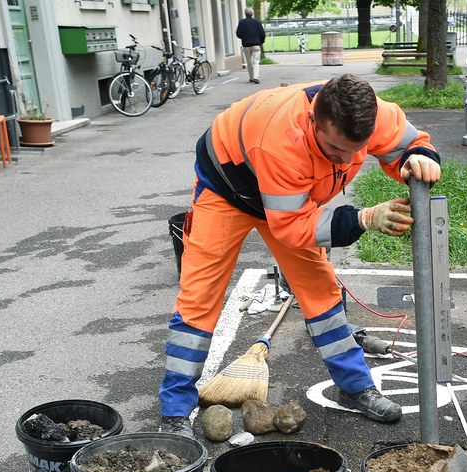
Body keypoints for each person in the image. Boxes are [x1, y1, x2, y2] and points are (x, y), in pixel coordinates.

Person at [158, 74, 442, 437]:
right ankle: (174, 412)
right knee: (199, 296)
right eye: (335, 151)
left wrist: (420, 158)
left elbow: (410, 142)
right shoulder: (282, 143)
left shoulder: (369, 113)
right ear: (313, 122)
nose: (347, 159)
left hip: (290, 197)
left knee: (320, 290)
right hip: (229, 190)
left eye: (357, 150)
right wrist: (363, 218)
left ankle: (355, 388)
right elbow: (292, 227)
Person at [236, 8, 265, 84]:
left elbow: (238, 34)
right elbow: (262, 33)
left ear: (245, 14)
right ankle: (256, 77)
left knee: (249, 62)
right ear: (252, 14)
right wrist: (261, 42)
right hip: (256, 45)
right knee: (256, 62)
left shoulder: (241, 22)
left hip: (246, 45)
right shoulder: (257, 22)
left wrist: (244, 37)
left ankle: (251, 77)